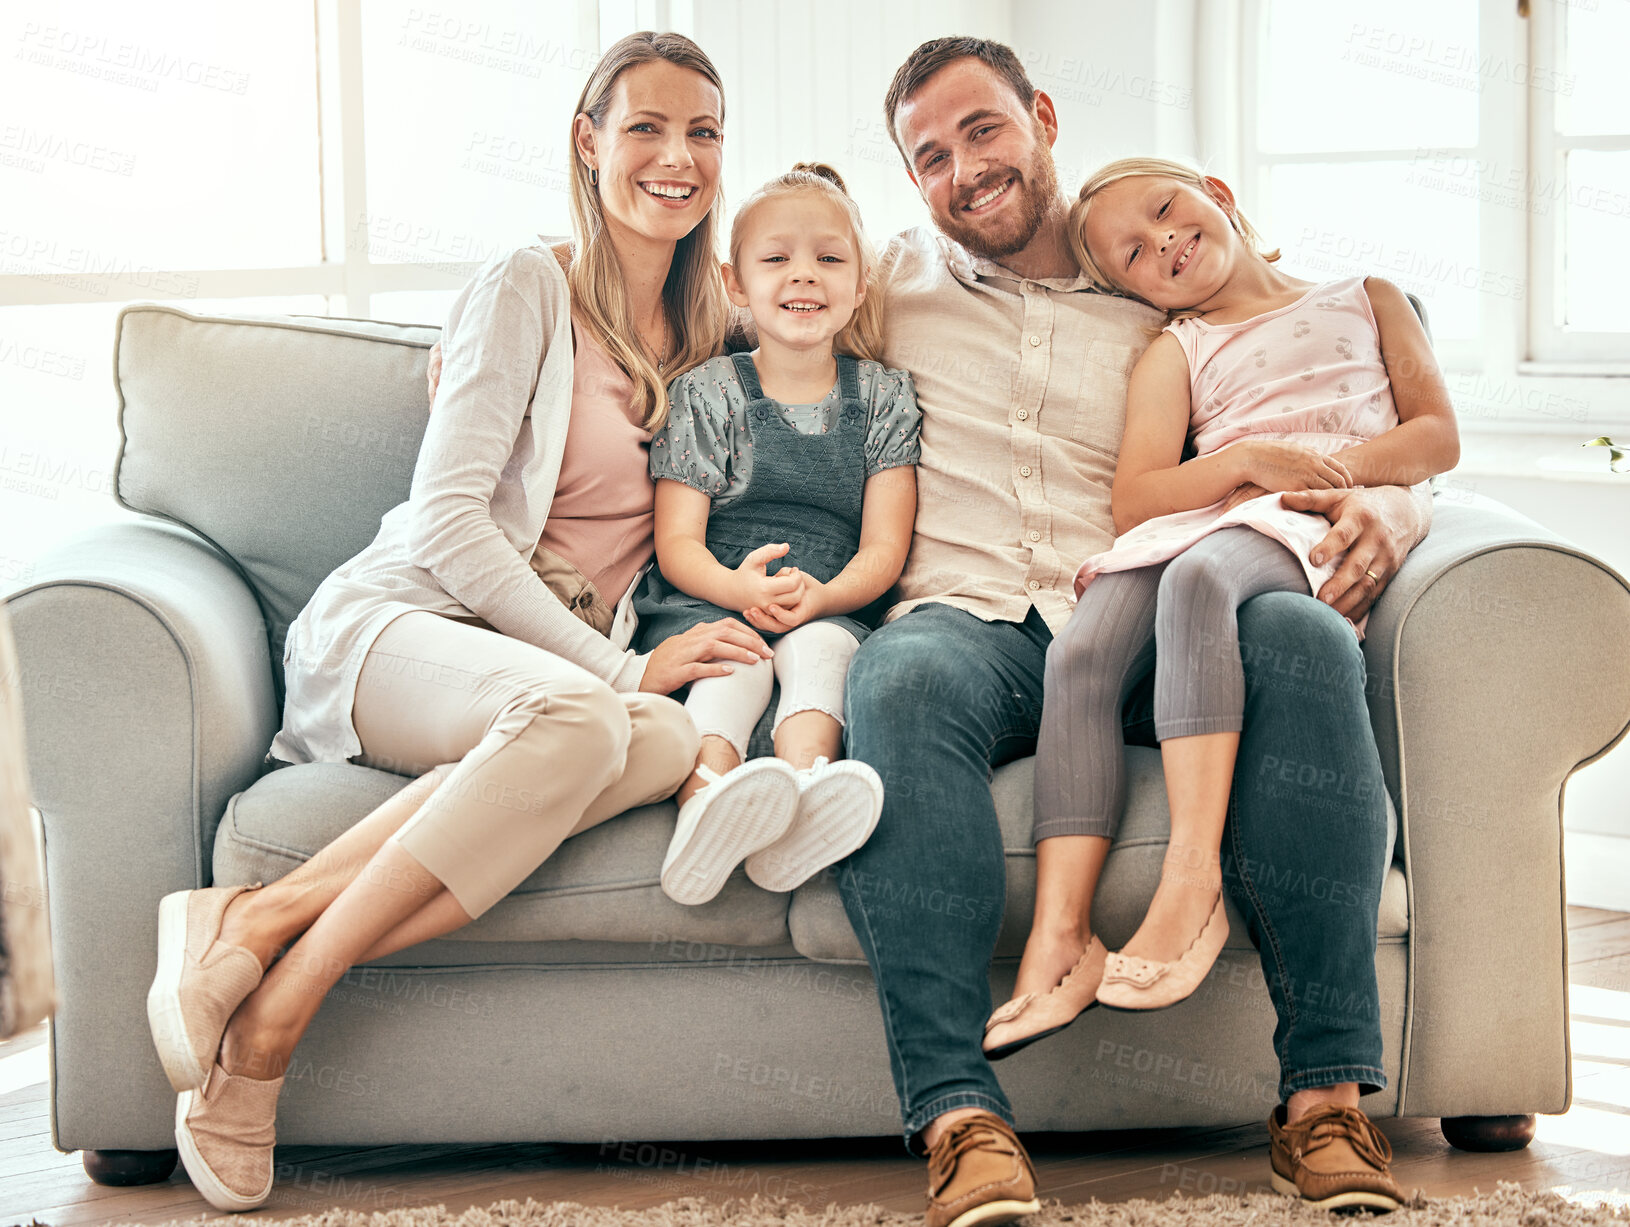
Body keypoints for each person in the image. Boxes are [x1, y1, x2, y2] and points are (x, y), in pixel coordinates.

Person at [142, 32, 770, 1213]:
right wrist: (619, 661)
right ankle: (274, 1021)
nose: (676, 156)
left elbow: (842, 276)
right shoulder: (525, 284)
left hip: (549, 684)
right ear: (587, 144)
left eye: (703, 131)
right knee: (594, 710)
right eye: (645, 126)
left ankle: (262, 932)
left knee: (659, 739)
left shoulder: (711, 333)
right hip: (399, 626)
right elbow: (446, 523)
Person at [838, 39, 1432, 1225]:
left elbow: (1333, 393)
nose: (965, 169)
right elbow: (730, 275)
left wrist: (1375, 493)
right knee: (897, 685)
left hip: (1155, 608)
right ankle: (962, 1116)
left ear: (1042, 117)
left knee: (1306, 644)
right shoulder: (886, 279)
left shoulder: (1162, 288)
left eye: (984, 131)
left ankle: (1323, 1097)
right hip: (972, 622)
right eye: (931, 157)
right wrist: (548, 293)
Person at [982, 155, 1457, 1039]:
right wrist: (1243, 462)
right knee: (1082, 651)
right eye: (1132, 254)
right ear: (1139, 296)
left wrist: (1323, 475)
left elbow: (1435, 438)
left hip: (1308, 520)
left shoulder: (1367, 296)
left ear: (1220, 195)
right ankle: (1062, 940)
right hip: (1219, 508)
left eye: (1167, 210)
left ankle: (1192, 886)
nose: (1163, 240)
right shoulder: (1177, 348)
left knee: (1201, 580)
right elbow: (1136, 499)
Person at [633, 162, 920, 906]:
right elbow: (678, 542)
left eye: (830, 258)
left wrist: (824, 599)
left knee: (822, 652)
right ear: (735, 282)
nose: (805, 275)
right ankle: (704, 800)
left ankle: (806, 792)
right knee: (740, 659)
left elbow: (885, 549)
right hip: (709, 594)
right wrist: (736, 590)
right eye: (776, 258)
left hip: (828, 598)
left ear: (860, 284)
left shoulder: (884, 394)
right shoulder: (709, 389)